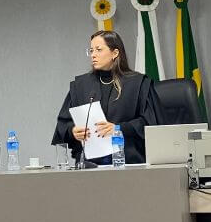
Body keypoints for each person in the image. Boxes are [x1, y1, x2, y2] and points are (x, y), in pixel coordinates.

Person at [52, 30, 161, 165]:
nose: (93, 55)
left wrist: (119, 128)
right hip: (89, 164)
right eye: (91, 51)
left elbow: (151, 123)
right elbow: (63, 124)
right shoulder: (81, 85)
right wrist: (73, 131)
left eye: (98, 50)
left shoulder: (138, 83)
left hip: (129, 161)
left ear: (115, 53)